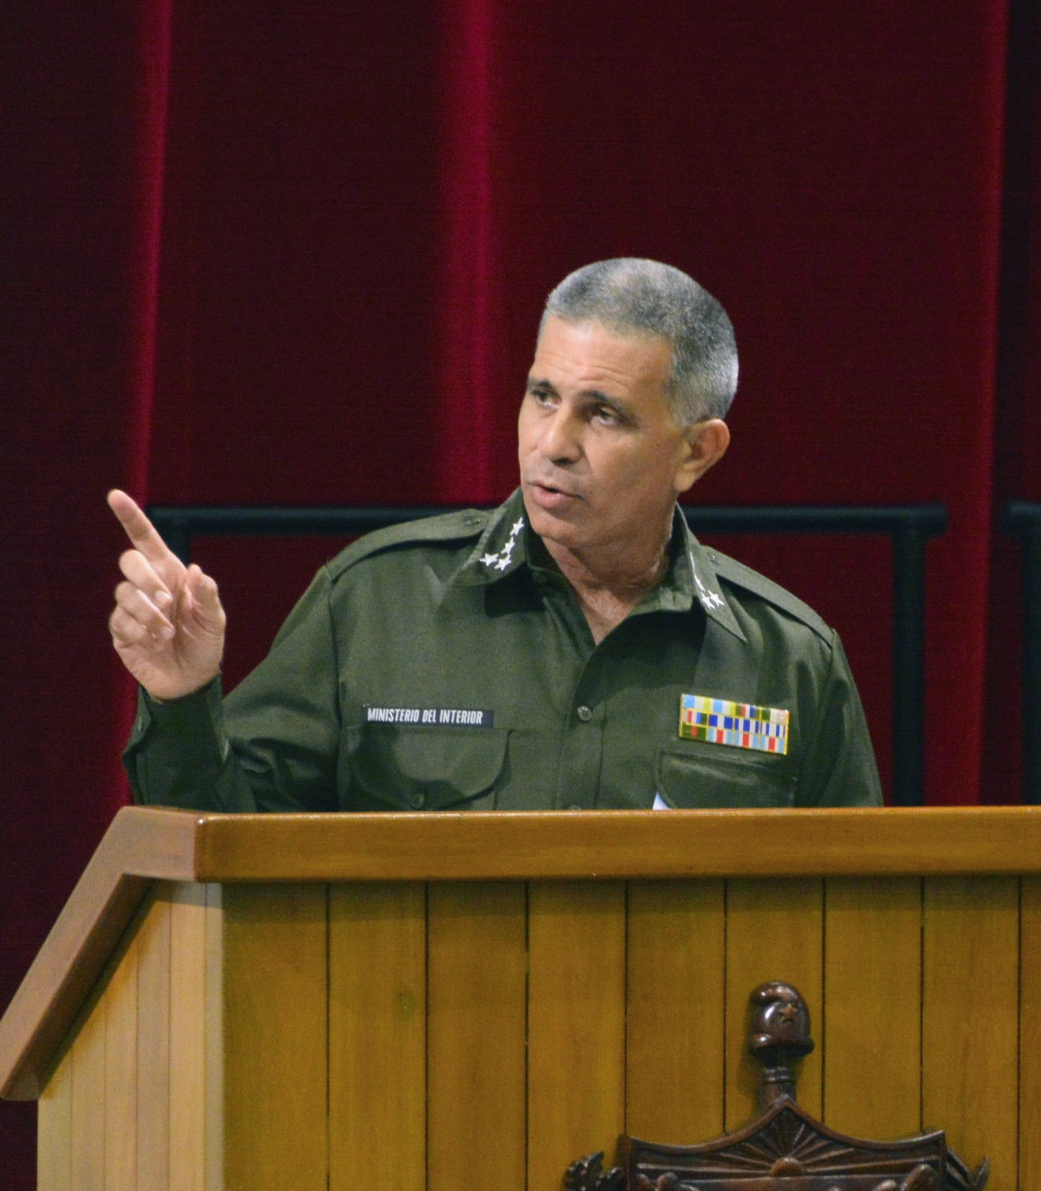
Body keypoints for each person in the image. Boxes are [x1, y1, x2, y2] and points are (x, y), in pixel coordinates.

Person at [109, 258, 881, 811]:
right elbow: (218, 853)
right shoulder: (377, 602)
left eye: (601, 414)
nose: (554, 442)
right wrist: (182, 699)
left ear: (696, 451)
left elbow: (846, 927)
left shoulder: (790, 662)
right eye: (542, 396)